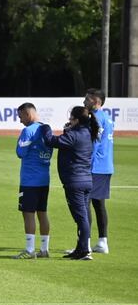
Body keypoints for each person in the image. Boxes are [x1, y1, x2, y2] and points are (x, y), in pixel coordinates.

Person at [41, 106, 99, 260]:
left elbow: (51, 141)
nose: (69, 120)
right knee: (83, 216)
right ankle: (81, 249)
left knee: (80, 218)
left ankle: (85, 250)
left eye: (71, 118)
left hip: (75, 181)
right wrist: (68, 131)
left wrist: (45, 128)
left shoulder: (75, 135)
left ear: (77, 120)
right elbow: (70, 143)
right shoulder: (87, 133)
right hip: (85, 180)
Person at [13, 103, 53, 259]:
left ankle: (29, 250)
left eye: (21, 116)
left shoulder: (28, 131)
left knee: (28, 214)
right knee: (42, 213)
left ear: (27, 114)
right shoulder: (46, 129)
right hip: (44, 178)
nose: (20, 120)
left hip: (30, 180)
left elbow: (20, 153)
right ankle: (44, 250)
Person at [84, 88, 114, 254]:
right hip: (106, 165)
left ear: (96, 102)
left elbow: (94, 143)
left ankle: (85, 244)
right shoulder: (108, 118)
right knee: (98, 204)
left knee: (84, 204)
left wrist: (86, 162)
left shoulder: (95, 118)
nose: (84, 102)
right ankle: (103, 242)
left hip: (95, 166)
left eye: (87, 99)